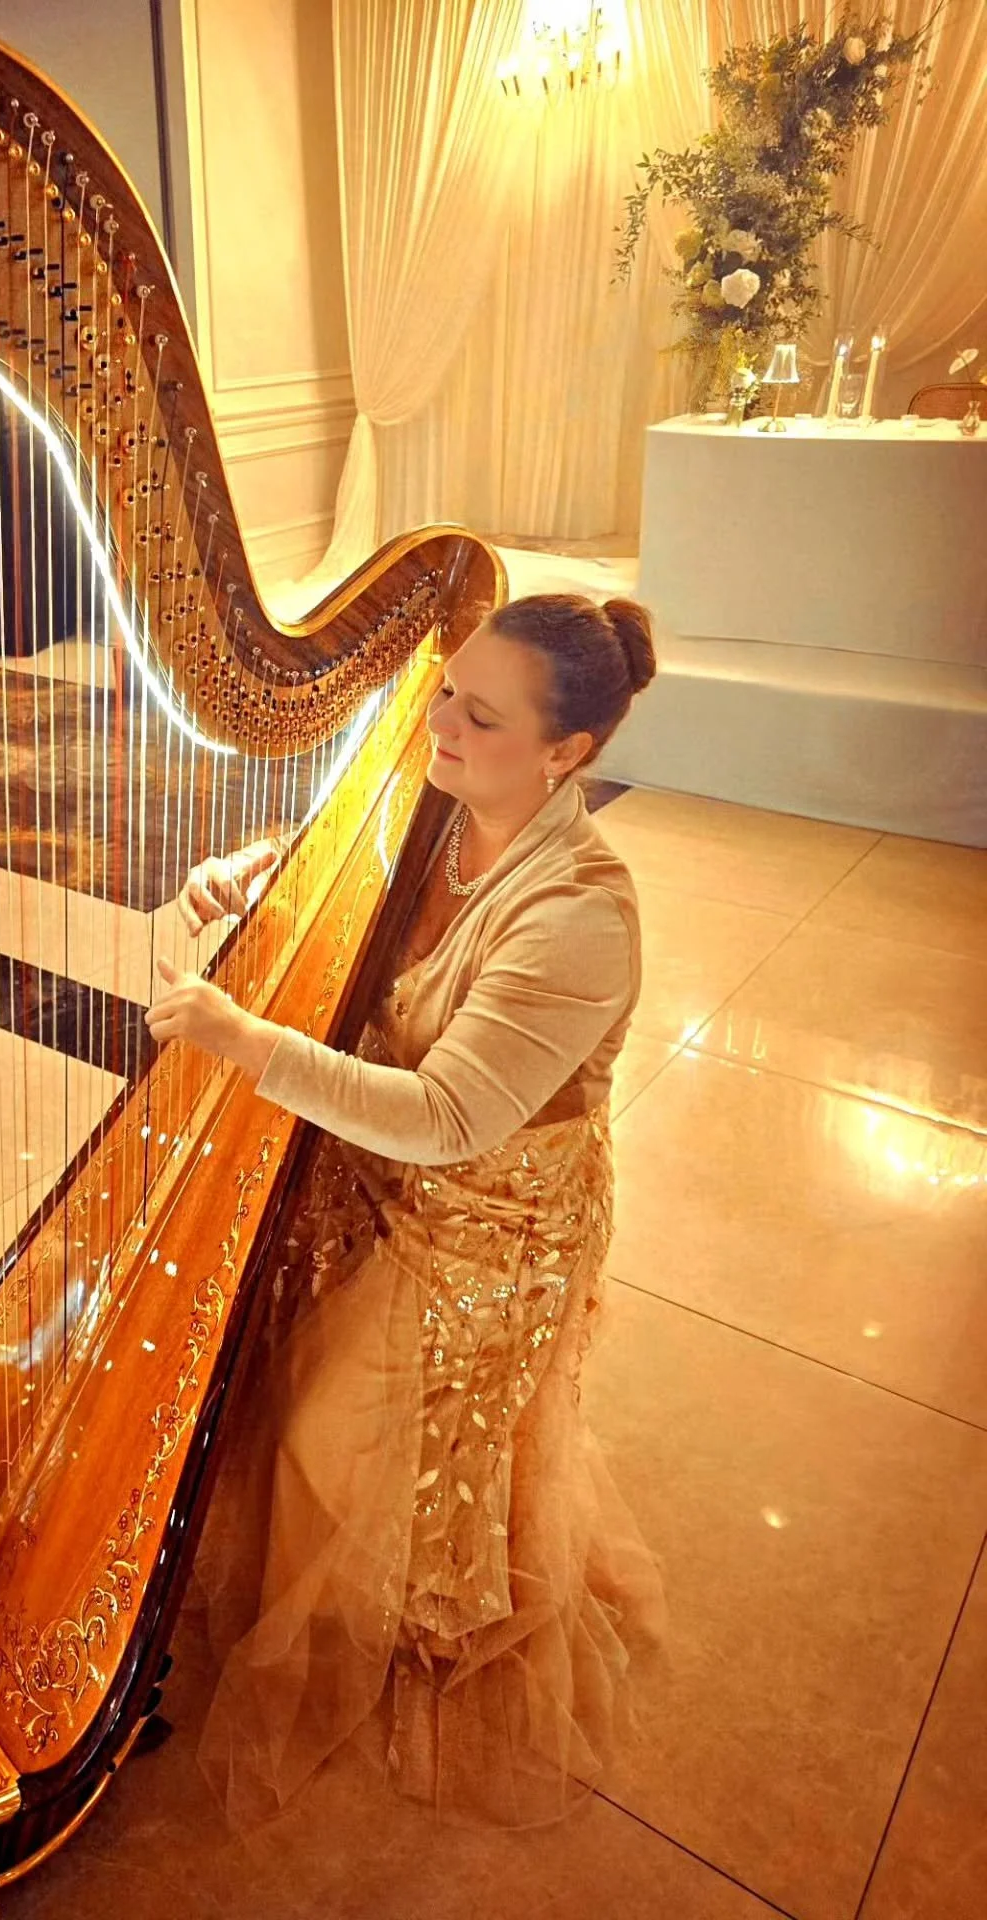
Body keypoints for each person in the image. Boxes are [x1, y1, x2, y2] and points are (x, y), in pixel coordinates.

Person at [145, 592, 666, 1830]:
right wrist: (250, 886)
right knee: (259, 1354)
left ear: (568, 755)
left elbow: (443, 1119)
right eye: (443, 692)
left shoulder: (580, 915)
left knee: (333, 1432)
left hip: (494, 1219)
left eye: (478, 717)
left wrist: (246, 1039)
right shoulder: (430, 800)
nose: (436, 724)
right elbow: (344, 877)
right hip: (374, 1166)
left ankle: (414, 1607)